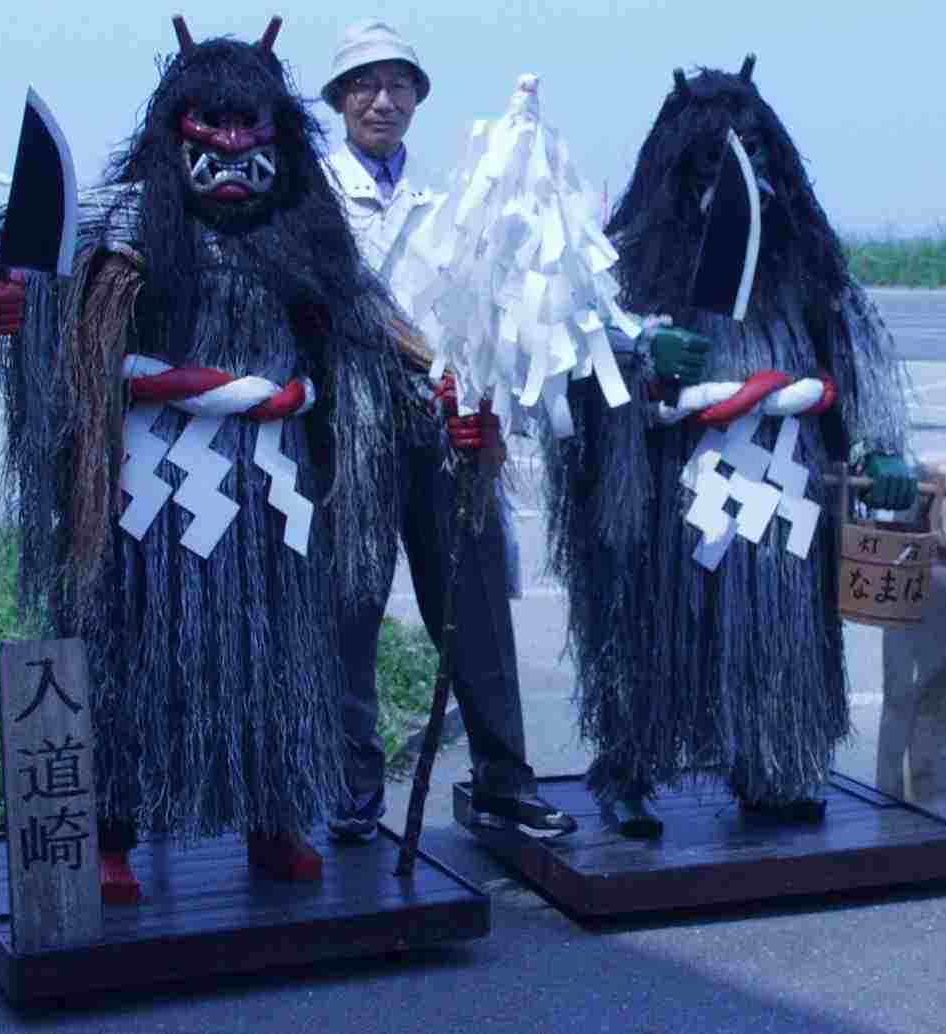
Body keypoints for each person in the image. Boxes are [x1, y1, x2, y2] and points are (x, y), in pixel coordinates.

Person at [0, 17, 412, 900]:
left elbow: (376, 332)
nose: (229, 148)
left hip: (273, 484)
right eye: (209, 126)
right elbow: (8, 260)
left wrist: (432, 386)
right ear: (174, 130)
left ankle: (275, 818)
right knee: (132, 653)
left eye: (247, 127)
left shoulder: (309, 231)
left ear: (276, 134)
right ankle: (111, 829)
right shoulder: (122, 218)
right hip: (146, 480)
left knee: (278, 656)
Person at [541, 56, 917, 836]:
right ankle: (629, 767)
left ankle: (772, 766)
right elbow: (578, 363)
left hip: (785, 477)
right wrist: (640, 357)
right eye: (712, 162)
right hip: (670, 485)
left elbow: (855, 355)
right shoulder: (626, 268)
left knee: (778, 625)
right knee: (653, 628)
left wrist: (880, 443)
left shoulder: (808, 268)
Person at [320, 20, 576, 837]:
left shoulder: (447, 205)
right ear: (340, 100)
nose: (383, 101)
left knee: (474, 606)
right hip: (348, 430)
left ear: (418, 100)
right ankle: (351, 788)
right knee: (348, 612)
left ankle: (503, 777)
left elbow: (480, 318)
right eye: (365, 85)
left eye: (399, 85)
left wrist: (480, 404)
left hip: (441, 431)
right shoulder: (311, 201)